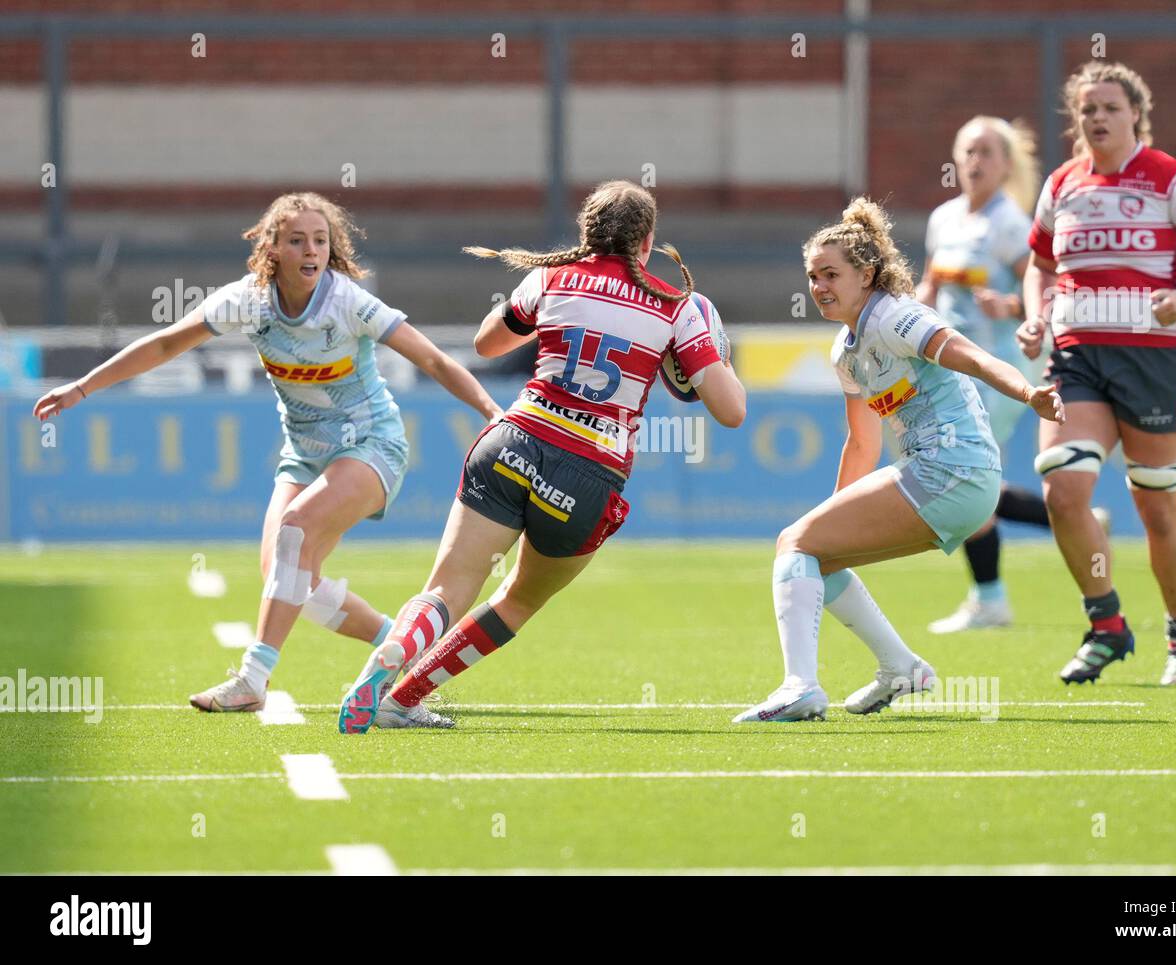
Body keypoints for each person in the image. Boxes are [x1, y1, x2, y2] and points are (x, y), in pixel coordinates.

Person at [33, 192, 502, 712]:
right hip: (303, 453)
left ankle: (253, 679)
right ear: (272, 247)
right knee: (290, 578)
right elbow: (166, 344)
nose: (311, 250)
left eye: (320, 241)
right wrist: (81, 388)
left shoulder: (347, 302)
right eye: (297, 239)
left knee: (295, 531)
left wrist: (488, 410)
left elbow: (434, 361)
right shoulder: (249, 300)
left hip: (372, 445)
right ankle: (402, 645)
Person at [337, 180, 746, 733]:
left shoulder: (551, 276)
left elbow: (487, 344)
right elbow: (730, 411)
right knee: (517, 601)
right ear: (647, 242)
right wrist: (711, 351)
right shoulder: (676, 306)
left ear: (587, 233)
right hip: (587, 475)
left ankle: (390, 656)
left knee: (445, 590)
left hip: (514, 442)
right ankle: (404, 696)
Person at [733, 198, 1063, 723]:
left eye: (831, 274)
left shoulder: (895, 317)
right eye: (813, 275)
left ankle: (800, 687)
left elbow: (973, 356)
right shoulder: (846, 350)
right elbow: (861, 444)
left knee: (794, 543)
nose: (819, 286)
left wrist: (1028, 392)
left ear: (866, 274)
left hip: (954, 470)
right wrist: (829, 521)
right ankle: (899, 667)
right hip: (952, 482)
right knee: (814, 553)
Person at [1017, 61, 1176, 686]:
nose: (1097, 118)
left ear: (1135, 114)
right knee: (1062, 488)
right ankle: (1106, 623)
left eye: (1110, 107)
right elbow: (1038, 264)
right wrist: (1036, 316)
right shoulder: (1062, 184)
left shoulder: (1175, 180)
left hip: (1156, 361)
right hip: (1078, 356)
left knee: (1157, 507)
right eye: (1087, 108)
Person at [917, 115, 1061, 633]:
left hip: (1000, 369)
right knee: (967, 476)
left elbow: (1040, 289)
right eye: (968, 151)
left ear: (1005, 165)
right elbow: (930, 285)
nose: (975, 162)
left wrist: (1013, 308)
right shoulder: (945, 219)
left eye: (986, 153)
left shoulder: (1009, 224)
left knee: (963, 472)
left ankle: (991, 599)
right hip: (951, 369)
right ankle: (1066, 514)